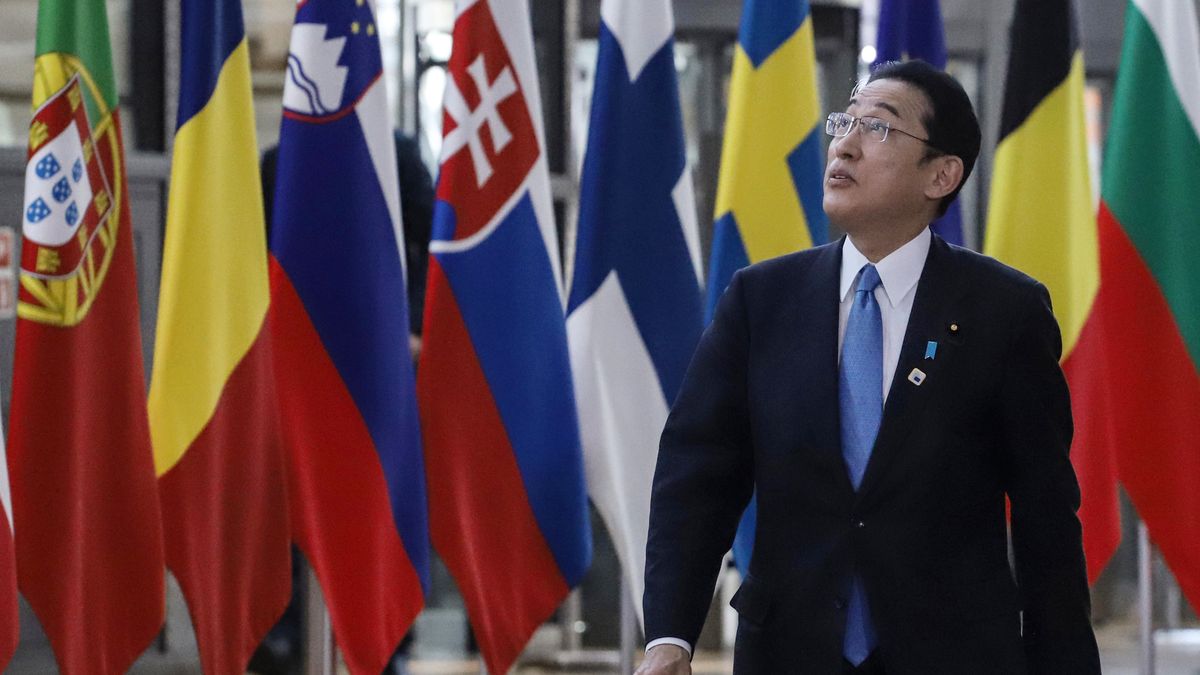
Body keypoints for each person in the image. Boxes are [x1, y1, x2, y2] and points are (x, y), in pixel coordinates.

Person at [636, 60, 1100, 675]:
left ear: (942, 173)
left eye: (877, 128)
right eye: (843, 123)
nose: (844, 145)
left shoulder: (1002, 311)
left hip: (953, 655)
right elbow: (696, 480)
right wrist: (670, 636)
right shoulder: (762, 300)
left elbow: (1045, 517)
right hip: (789, 652)